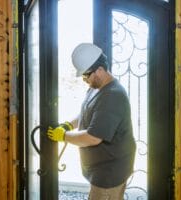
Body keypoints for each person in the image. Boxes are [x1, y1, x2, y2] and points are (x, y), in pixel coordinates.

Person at [47, 43, 136, 200]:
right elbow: (87, 111)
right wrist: (69, 125)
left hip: (110, 172)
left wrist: (64, 136)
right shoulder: (97, 87)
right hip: (102, 168)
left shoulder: (112, 96)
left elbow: (93, 137)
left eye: (86, 75)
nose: (84, 79)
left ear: (100, 70)